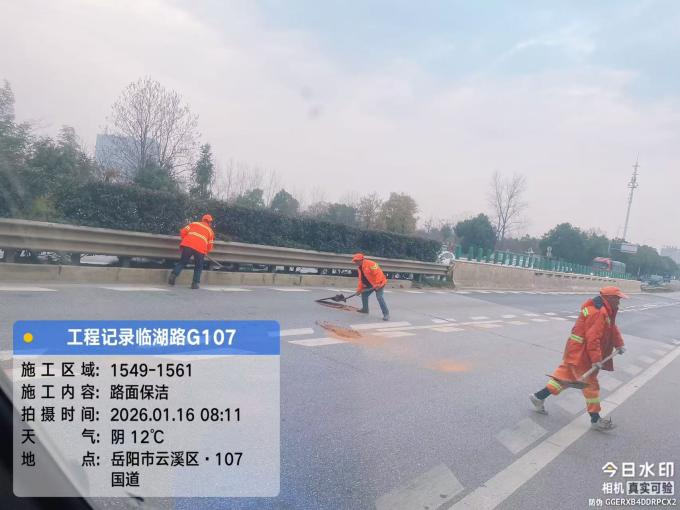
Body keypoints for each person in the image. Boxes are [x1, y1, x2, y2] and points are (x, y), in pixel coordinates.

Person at [529, 286, 628, 431]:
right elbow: (593, 338)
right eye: (617, 298)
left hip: (577, 352)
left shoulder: (605, 310)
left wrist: (619, 344)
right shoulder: (598, 312)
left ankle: (538, 397)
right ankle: (595, 419)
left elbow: (611, 328)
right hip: (582, 355)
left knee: (564, 379)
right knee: (591, 386)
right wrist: (596, 359)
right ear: (609, 298)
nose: (619, 301)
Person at [168, 214, 215, 289]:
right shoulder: (210, 231)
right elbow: (210, 245)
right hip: (200, 249)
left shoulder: (194, 224)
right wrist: (205, 251)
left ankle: (173, 275)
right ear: (210, 222)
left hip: (188, 245)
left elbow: (183, 232)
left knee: (183, 261)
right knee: (198, 266)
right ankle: (195, 284)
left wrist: (186, 241)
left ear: (202, 219)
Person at [352, 253, 390, 321]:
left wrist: (377, 284)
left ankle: (386, 314)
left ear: (362, 260)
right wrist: (359, 290)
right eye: (355, 261)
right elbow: (361, 280)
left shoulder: (371, 264)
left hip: (380, 283)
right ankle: (365, 309)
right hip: (371, 284)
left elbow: (378, 273)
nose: (355, 262)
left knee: (379, 297)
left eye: (357, 261)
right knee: (364, 294)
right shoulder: (359, 268)